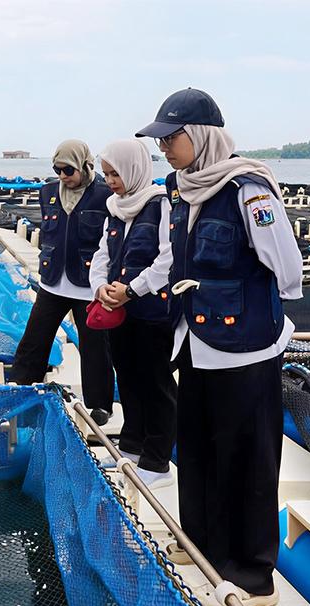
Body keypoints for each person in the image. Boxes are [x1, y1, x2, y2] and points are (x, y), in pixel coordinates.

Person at [137, 87, 303, 606]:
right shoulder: (180, 190)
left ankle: (254, 576)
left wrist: (246, 303)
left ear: (201, 136)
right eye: (160, 140)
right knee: (199, 448)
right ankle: (202, 543)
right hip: (196, 341)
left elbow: (287, 267)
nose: (164, 148)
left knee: (248, 460)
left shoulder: (247, 191)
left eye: (171, 138)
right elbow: (173, 257)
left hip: (244, 347)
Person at [89, 139, 176, 488]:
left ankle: (157, 462)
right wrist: (100, 286)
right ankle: (132, 448)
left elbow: (168, 258)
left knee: (155, 383)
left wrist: (132, 290)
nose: (111, 181)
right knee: (126, 378)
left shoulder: (160, 204)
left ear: (134, 169)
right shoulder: (114, 208)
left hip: (151, 312)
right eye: (106, 174)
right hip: (119, 311)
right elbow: (103, 254)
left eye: (116, 174)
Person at [10, 140, 115, 424]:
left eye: (68, 170)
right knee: (35, 338)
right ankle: (20, 389)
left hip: (88, 284)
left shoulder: (104, 194)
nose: (62, 176)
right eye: (57, 170)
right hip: (54, 281)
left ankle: (100, 404)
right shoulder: (48, 192)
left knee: (95, 347)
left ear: (84, 166)